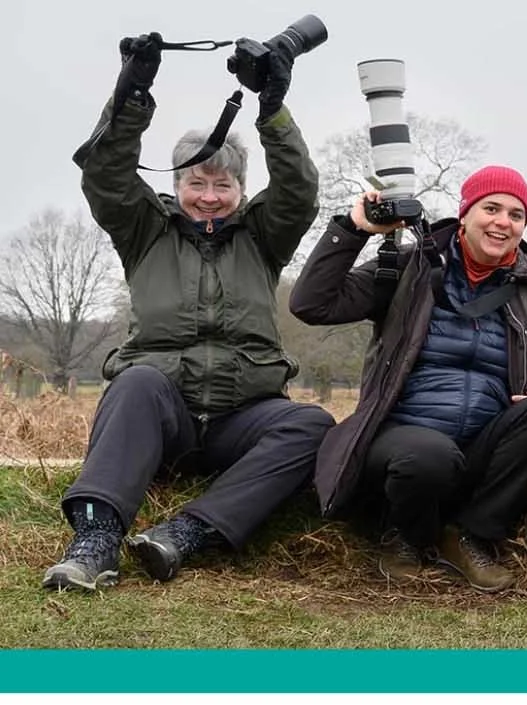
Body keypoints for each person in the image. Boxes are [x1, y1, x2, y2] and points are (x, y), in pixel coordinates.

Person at [44, 36, 330, 591]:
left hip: (241, 417)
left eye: (222, 184)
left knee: (311, 423)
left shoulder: (263, 237)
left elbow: (298, 190)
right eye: (196, 182)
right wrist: (132, 93)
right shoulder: (143, 229)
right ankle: (95, 541)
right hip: (165, 415)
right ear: (176, 186)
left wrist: (271, 107)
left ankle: (187, 533)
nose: (208, 195)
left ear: (241, 191)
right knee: (137, 381)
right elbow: (104, 174)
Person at [289, 166, 527, 592]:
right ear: (465, 214)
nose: (503, 222)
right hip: (404, 435)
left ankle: (468, 535)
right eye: (491, 208)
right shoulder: (409, 267)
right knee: (428, 455)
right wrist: (353, 229)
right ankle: (404, 533)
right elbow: (312, 304)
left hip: (480, 447)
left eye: (516, 215)